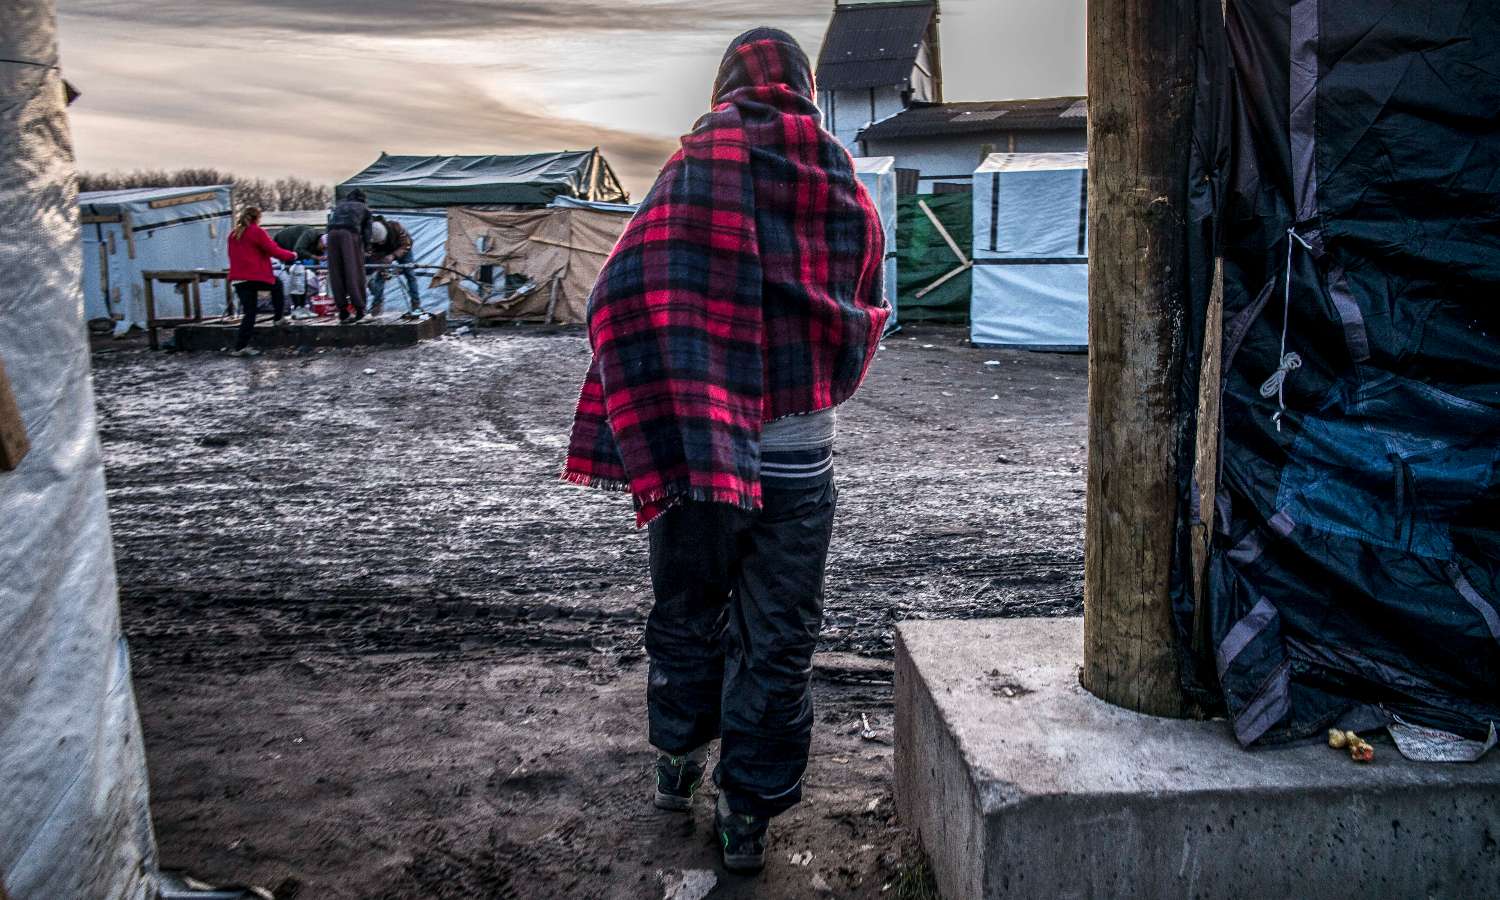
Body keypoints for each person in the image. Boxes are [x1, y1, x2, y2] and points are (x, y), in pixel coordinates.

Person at [562, 28, 888, 875]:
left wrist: (683, 386)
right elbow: (863, 297)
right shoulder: (838, 178)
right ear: (807, 88)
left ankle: (677, 763)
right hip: (797, 462)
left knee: (686, 609)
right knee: (777, 636)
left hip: (699, 463)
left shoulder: (694, 167)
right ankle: (746, 815)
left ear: (725, 84)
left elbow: (617, 291)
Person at [226, 206, 297, 357]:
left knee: (249, 313)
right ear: (256, 218)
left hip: (239, 279)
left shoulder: (233, 234)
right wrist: (292, 255)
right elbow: (274, 250)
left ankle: (240, 348)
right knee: (277, 285)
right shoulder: (257, 232)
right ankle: (278, 318)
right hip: (254, 276)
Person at [326, 188, 372, 322]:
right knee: (354, 272)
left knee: (336, 272)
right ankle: (360, 310)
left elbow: (330, 223)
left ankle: (343, 311)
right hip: (350, 234)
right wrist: (367, 246)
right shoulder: (364, 208)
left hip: (332, 235)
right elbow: (367, 232)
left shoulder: (339, 206)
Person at [367, 215, 424, 318]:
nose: (380, 243)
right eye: (378, 242)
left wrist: (394, 256)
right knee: (380, 277)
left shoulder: (396, 227)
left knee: (410, 274)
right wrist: (382, 267)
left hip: (402, 250)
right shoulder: (371, 239)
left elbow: (407, 243)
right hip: (383, 253)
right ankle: (377, 303)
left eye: (382, 241)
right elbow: (373, 254)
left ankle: (416, 303)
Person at [272, 224, 325, 319]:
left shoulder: (317, 244)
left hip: (294, 251)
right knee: (295, 277)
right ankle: (297, 307)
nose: (323, 250)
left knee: (301, 274)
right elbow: (298, 249)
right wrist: (314, 257)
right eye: (323, 248)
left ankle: (302, 306)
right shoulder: (310, 234)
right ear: (321, 240)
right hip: (284, 245)